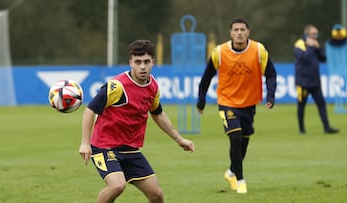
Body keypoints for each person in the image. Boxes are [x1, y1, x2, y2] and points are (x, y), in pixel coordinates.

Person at [78, 39, 195, 203]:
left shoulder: (153, 86)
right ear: (130, 63)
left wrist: (179, 139)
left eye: (146, 62)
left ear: (153, 62)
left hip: (130, 150)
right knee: (117, 186)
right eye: (138, 62)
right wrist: (85, 142)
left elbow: (158, 113)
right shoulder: (116, 86)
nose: (142, 67)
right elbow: (90, 110)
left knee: (157, 195)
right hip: (105, 147)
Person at [196, 18, 277, 194]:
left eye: (242, 29)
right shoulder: (220, 52)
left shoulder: (258, 50)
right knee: (236, 137)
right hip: (227, 102)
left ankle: (232, 171)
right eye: (236, 29)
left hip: (249, 103)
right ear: (230, 33)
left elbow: (270, 73)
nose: (239, 32)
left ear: (248, 32)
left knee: (244, 143)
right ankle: (240, 180)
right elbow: (206, 77)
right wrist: (201, 100)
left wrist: (271, 94)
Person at [294, 24, 339, 134]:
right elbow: (303, 58)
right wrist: (310, 47)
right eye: (314, 34)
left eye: (316, 34)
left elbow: (323, 58)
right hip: (303, 82)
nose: (316, 36)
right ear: (307, 34)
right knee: (301, 106)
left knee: (321, 104)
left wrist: (318, 48)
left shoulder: (315, 44)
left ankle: (327, 127)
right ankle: (302, 129)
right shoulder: (299, 44)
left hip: (315, 81)